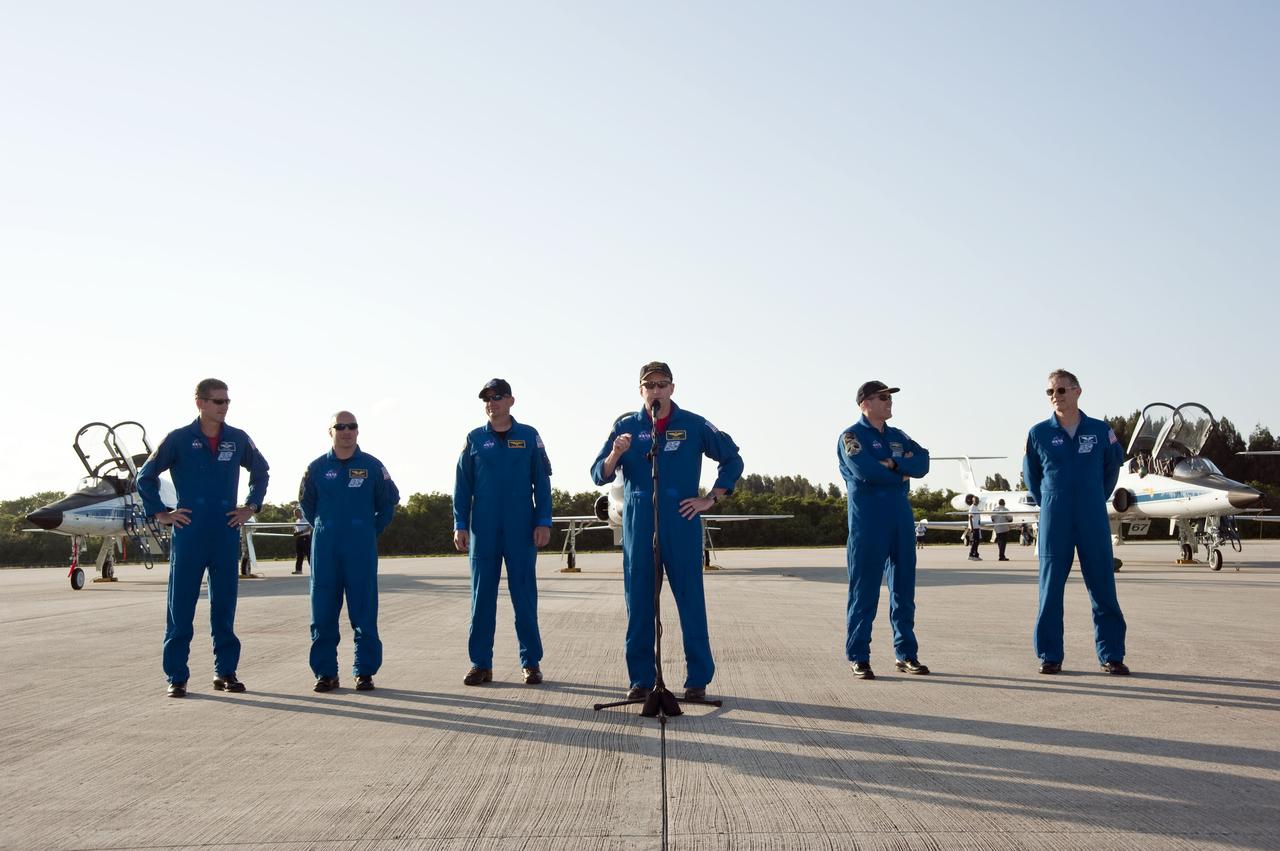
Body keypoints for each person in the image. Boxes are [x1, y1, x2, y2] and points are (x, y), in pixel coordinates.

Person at [591, 361, 743, 702]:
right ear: (640, 390)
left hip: (682, 521)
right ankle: (641, 680)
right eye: (649, 385)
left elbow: (732, 459)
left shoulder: (693, 424)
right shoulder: (625, 426)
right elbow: (598, 474)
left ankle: (697, 680)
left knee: (691, 601)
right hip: (639, 524)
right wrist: (616, 453)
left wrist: (712, 498)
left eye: (662, 384)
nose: (656, 391)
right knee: (640, 604)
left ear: (672, 388)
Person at [137, 378, 270, 698]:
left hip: (224, 532)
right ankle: (177, 676)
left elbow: (262, 471)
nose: (224, 407)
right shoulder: (179, 439)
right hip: (190, 533)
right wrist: (161, 513)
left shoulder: (238, 439)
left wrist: (251, 507)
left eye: (227, 402)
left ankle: (225, 672)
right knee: (180, 608)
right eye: (218, 401)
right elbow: (146, 476)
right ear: (200, 403)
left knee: (224, 607)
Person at [1023, 369, 1129, 676]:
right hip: (1055, 517)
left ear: (1077, 391)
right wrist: (1051, 500)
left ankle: (1111, 655)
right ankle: (1050, 655)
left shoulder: (1100, 430)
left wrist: (1094, 496)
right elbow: (1031, 476)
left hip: (1092, 515)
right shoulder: (1038, 433)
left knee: (1103, 587)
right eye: (1050, 392)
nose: (1055, 396)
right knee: (1050, 589)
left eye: (1061, 390)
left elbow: (1112, 468)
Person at [453, 379, 554, 687]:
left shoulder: (529, 436)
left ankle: (531, 662)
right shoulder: (474, 439)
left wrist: (544, 521)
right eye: (487, 398)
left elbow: (543, 481)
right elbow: (462, 485)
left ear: (511, 401)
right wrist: (459, 524)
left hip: (521, 526)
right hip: (483, 527)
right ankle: (480, 663)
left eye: (497, 397)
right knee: (481, 597)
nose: (491, 402)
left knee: (524, 596)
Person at [300, 412, 399, 692]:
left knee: (364, 611)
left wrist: (368, 530)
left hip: (360, 548)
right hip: (326, 548)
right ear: (329, 431)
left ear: (358, 431)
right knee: (322, 613)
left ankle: (364, 671)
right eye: (340, 426)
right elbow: (307, 505)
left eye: (352, 426)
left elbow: (388, 503)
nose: (346, 431)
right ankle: (325, 672)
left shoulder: (371, 466)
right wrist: (324, 527)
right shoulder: (317, 468)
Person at [839, 380, 931, 680]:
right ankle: (859, 657)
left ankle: (906, 654)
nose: (889, 402)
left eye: (890, 397)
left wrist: (892, 463)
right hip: (868, 523)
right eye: (882, 397)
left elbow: (923, 463)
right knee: (864, 592)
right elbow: (865, 471)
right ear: (865, 403)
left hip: (900, 520)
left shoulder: (898, 436)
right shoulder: (851, 436)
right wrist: (899, 471)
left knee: (904, 590)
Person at [292, 508, 311, 575]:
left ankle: (313, 569)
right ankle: (298, 570)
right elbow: (296, 529)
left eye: (296, 513)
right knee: (299, 555)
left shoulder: (305, 519)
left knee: (308, 554)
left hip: (305, 537)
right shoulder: (297, 521)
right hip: (299, 538)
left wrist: (301, 532)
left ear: (300, 512)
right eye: (294, 513)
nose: (295, 515)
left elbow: (309, 527)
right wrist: (295, 533)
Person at [967, 495, 983, 561]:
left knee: (977, 541)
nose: (977, 501)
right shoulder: (972, 508)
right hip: (974, 527)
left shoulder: (976, 507)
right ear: (973, 501)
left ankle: (976, 554)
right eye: (976, 500)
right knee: (974, 541)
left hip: (977, 527)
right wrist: (972, 528)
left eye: (978, 500)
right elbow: (970, 518)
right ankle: (971, 554)